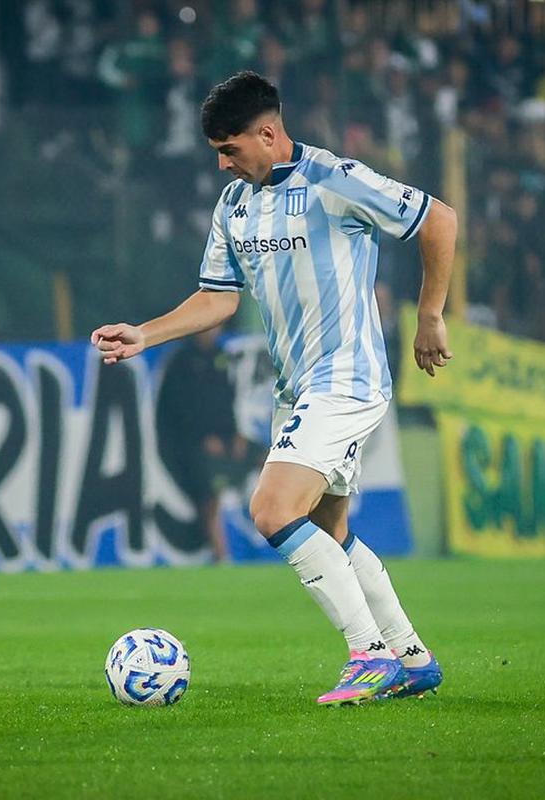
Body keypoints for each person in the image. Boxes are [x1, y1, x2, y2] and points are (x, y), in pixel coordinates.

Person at [91, 72, 457, 705]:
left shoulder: (334, 180)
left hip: (346, 377)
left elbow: (439, 221)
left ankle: (368, 656)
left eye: (230, 149)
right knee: (329, 529)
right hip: (299, 388)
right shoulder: (235, 204)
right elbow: (217, 298)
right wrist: (144, 335)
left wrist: (428, 315)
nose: (224, 164)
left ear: (268, 132)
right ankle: (409, 655)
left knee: (270, 509)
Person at [155, 324, 247, 563]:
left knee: (268, 460)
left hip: (225, 438)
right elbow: (180, 407)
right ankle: (220, 553)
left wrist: (233, 432)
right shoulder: (182, 360)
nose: (211, 331)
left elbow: (226, 397)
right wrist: (204, 436)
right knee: (209, 498)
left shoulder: (220, 356)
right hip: (191, 445)